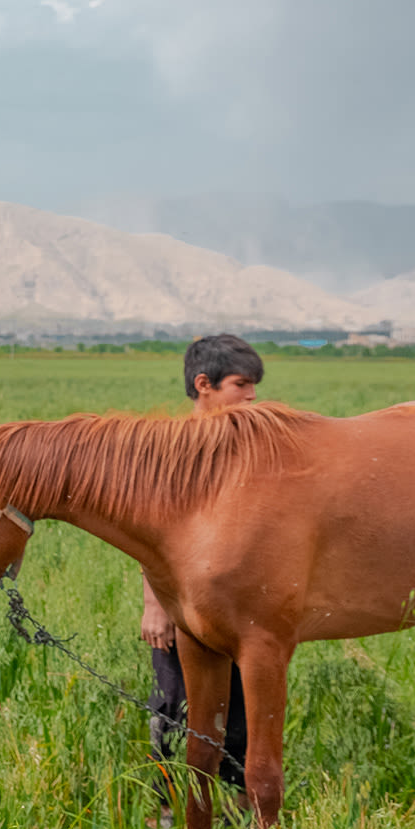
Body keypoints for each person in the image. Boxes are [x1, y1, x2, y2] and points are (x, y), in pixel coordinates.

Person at [143, 332, 262, 793]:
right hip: (181, 604)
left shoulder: (245, 446)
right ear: (204, 384)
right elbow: (151, 537)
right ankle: (169, 800)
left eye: (255, 386)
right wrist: (156, 606)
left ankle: (231, 797)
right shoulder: (172, 451)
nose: (252, 396)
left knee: (239, 706)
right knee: (176, 703)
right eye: (241, 384)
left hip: (236, 602)